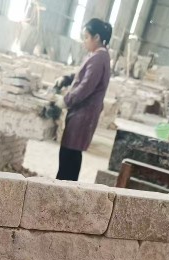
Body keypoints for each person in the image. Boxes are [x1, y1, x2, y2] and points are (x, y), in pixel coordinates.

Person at [55, 18, 112, 181]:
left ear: (97, 37)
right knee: (71, 155)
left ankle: (62, 190)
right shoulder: (98, 55)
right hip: (82, 113)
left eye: (86, 37)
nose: (83, 41)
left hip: (83, 114)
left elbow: (86, 86)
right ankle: (65, 188)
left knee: (69, 156)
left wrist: (66, 101)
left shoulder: (99, 58)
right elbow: (83, 74)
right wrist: (67, 78)